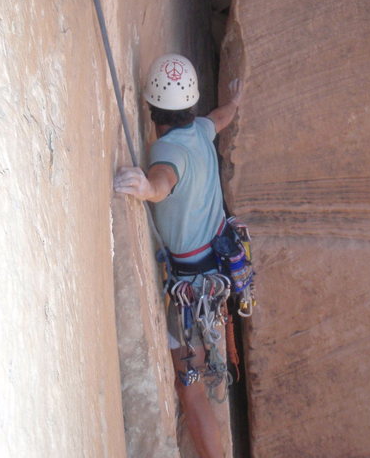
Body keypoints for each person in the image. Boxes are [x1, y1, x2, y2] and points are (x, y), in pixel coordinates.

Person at [114, 53, 243, 458]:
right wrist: (237, 103)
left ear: (151, 108)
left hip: (190, 293)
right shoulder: (201, 131)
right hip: (216, 282)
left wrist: (145, 188)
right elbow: (220, 118)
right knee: (200, 384)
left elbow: (164, 180)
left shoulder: (167, 148)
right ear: (192, 105)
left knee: (191, 392)